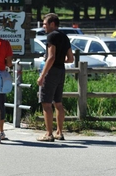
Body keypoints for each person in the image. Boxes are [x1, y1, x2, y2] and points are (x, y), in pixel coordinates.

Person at [37, 13, 74, 142]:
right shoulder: (64, 37)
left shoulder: (51, 36)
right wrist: (60, 60)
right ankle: (59, 132)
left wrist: (42, 75)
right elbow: (70, 59)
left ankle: (48, 133)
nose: (43, 27)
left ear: (52, 24)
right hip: (61, 71)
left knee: (46, 103)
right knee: (58, 103)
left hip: (51, 71)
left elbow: (51, 57)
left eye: (45, 24)